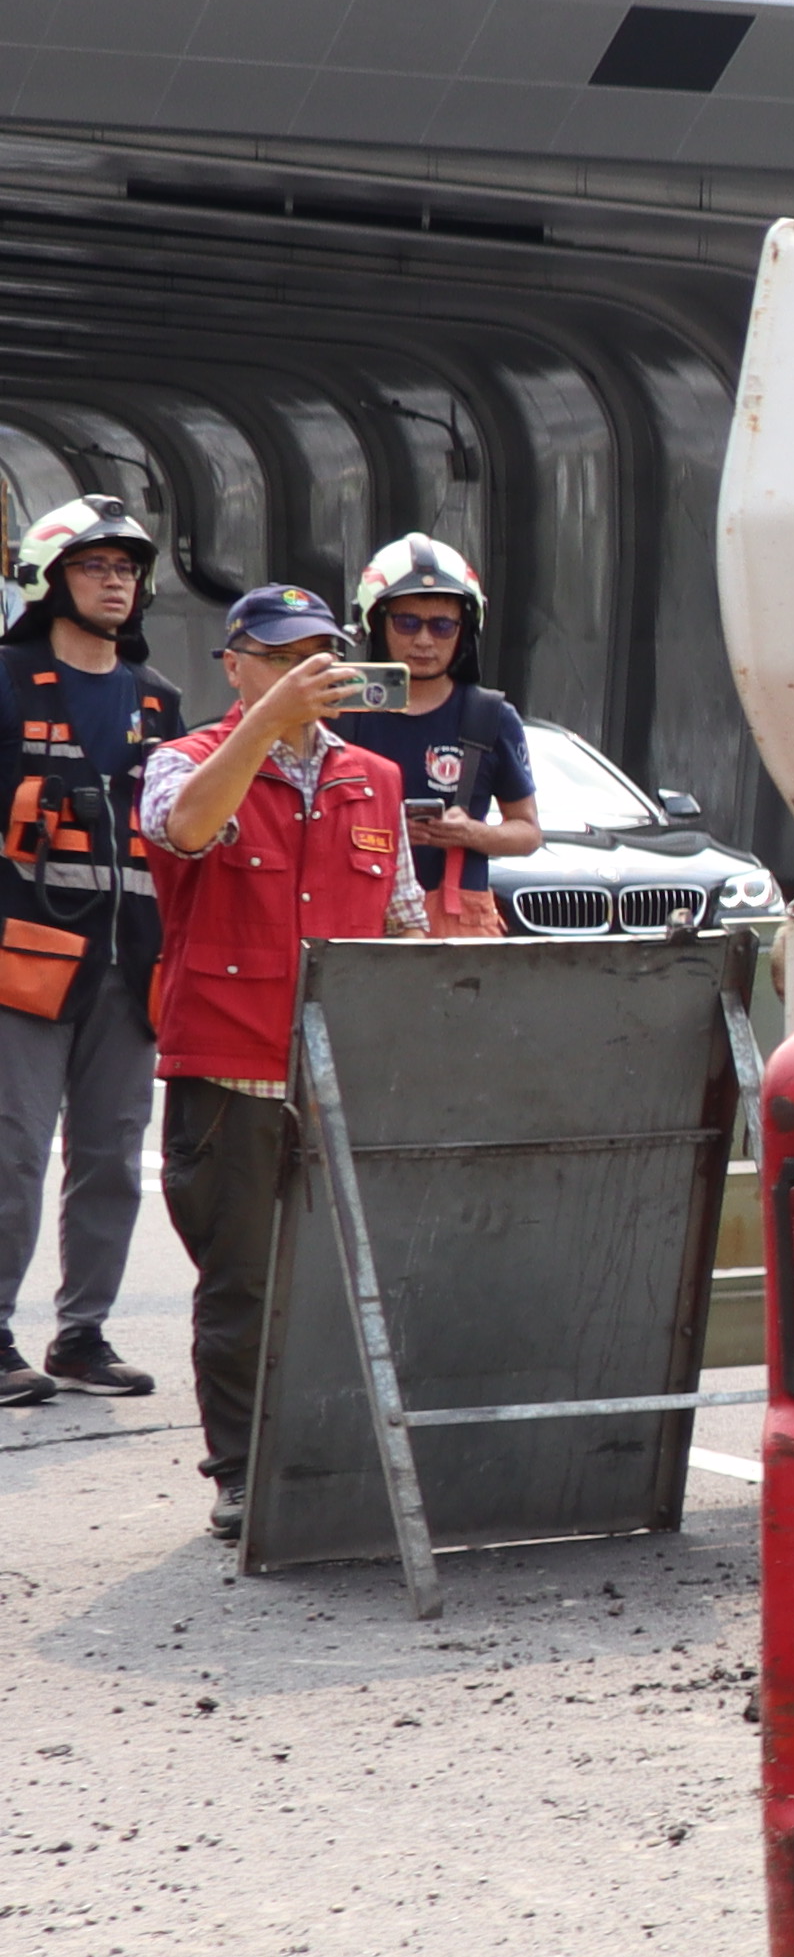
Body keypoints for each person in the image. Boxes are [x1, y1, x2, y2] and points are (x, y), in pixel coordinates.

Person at [144, 585, 418, 1539]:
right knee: (243, 1282)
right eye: (282, 654)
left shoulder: (374, 776)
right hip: (231, 1072)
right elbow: (184, 831)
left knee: (357, 1280)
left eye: (321, 654)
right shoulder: (182, 761)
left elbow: (402, 921)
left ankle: (337, 1455)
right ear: (236, 664)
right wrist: (265, 725)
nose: (308, 669)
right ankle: (240, 1471)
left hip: (345, 1073)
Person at [0, 499, 181, 1409]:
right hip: (23, 959)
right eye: (94, 565)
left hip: (132, 965)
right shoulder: (4, 681)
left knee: (110, 1153)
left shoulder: (160, 701)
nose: (116, 581)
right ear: (46, 578)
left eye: (127, 567)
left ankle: (81, 1336)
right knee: (13, 1152)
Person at [336, 535, 536, 938]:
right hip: (358, 916)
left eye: (442, 625)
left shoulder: (490, 716)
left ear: (465, 630)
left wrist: (470, 834)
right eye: (407, 623)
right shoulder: (340, 711)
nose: (424, 641)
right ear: (376, 624)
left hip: (458, 923)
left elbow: (527, 831)